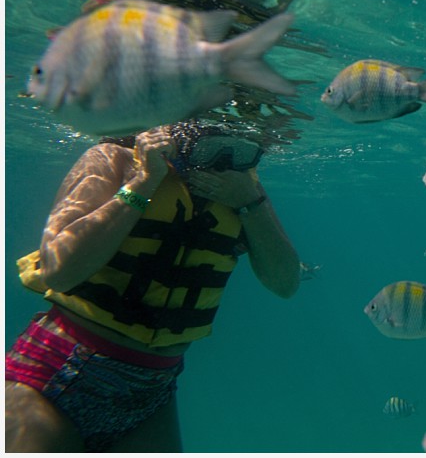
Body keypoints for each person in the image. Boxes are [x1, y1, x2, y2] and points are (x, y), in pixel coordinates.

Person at [5, 121, 302, 452]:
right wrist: (144, 181)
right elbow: (59, 272)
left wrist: (251, 202)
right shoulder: (113, 159)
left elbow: (285, 284)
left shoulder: (241, 188)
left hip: (152, 389)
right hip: (60, 371)